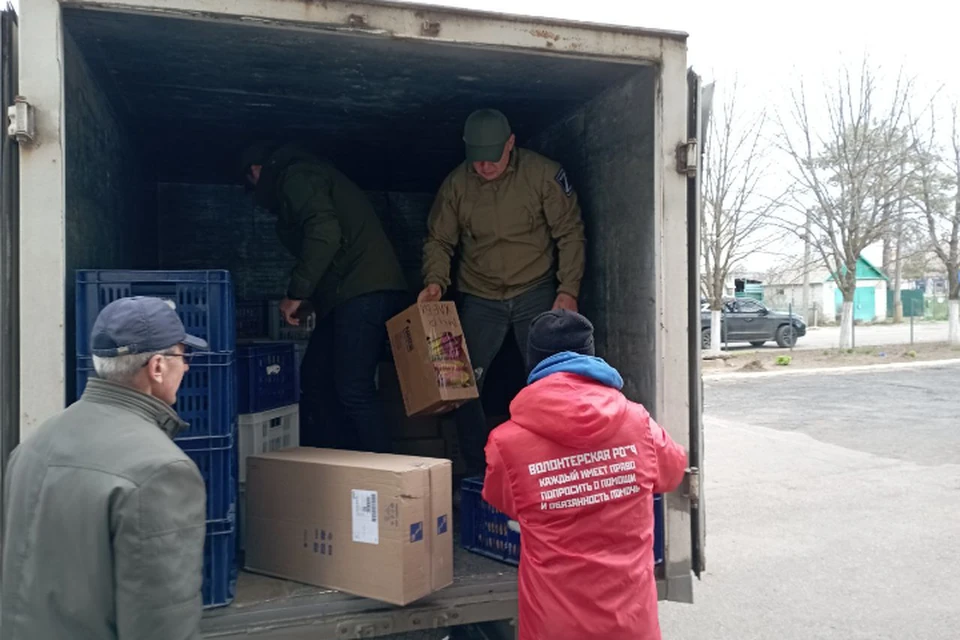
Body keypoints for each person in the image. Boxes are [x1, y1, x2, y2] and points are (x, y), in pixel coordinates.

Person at [1, 296, 209, 640]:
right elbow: (162, 623)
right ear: (157, 366)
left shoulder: (32, 447)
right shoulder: (160, 471)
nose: (186, 367)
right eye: (183, 355)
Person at [482, 309, 688, 640]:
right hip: (631, 623)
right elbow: (674, 471)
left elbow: (502, 499)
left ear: (533, 361)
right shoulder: (639, 424)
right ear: (591, 355)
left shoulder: (506, 443)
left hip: (554, 626)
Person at [419, 108, 587, 477]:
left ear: (510, 144)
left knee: (551, 379)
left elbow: (570, 233)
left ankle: (551, 469)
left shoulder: (543, 174)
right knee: (461, 384)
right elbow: (439, 240)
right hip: (480, 295)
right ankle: (480, 472)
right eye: (476, 159)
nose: (484, 167)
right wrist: (435, 281)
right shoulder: (456, 185)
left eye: (492, 157)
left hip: (535, 290)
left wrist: (568, 289)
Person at [240, 141, 409, 452]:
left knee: (353, 387)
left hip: (365, 288)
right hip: (348, 293)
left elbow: (324, 236)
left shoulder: (295, 177)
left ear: (255, 171)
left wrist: (295, 293)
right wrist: (312, 300)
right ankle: (337, 463)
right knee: (316, 379)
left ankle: (391, 474)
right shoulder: (301, 177)